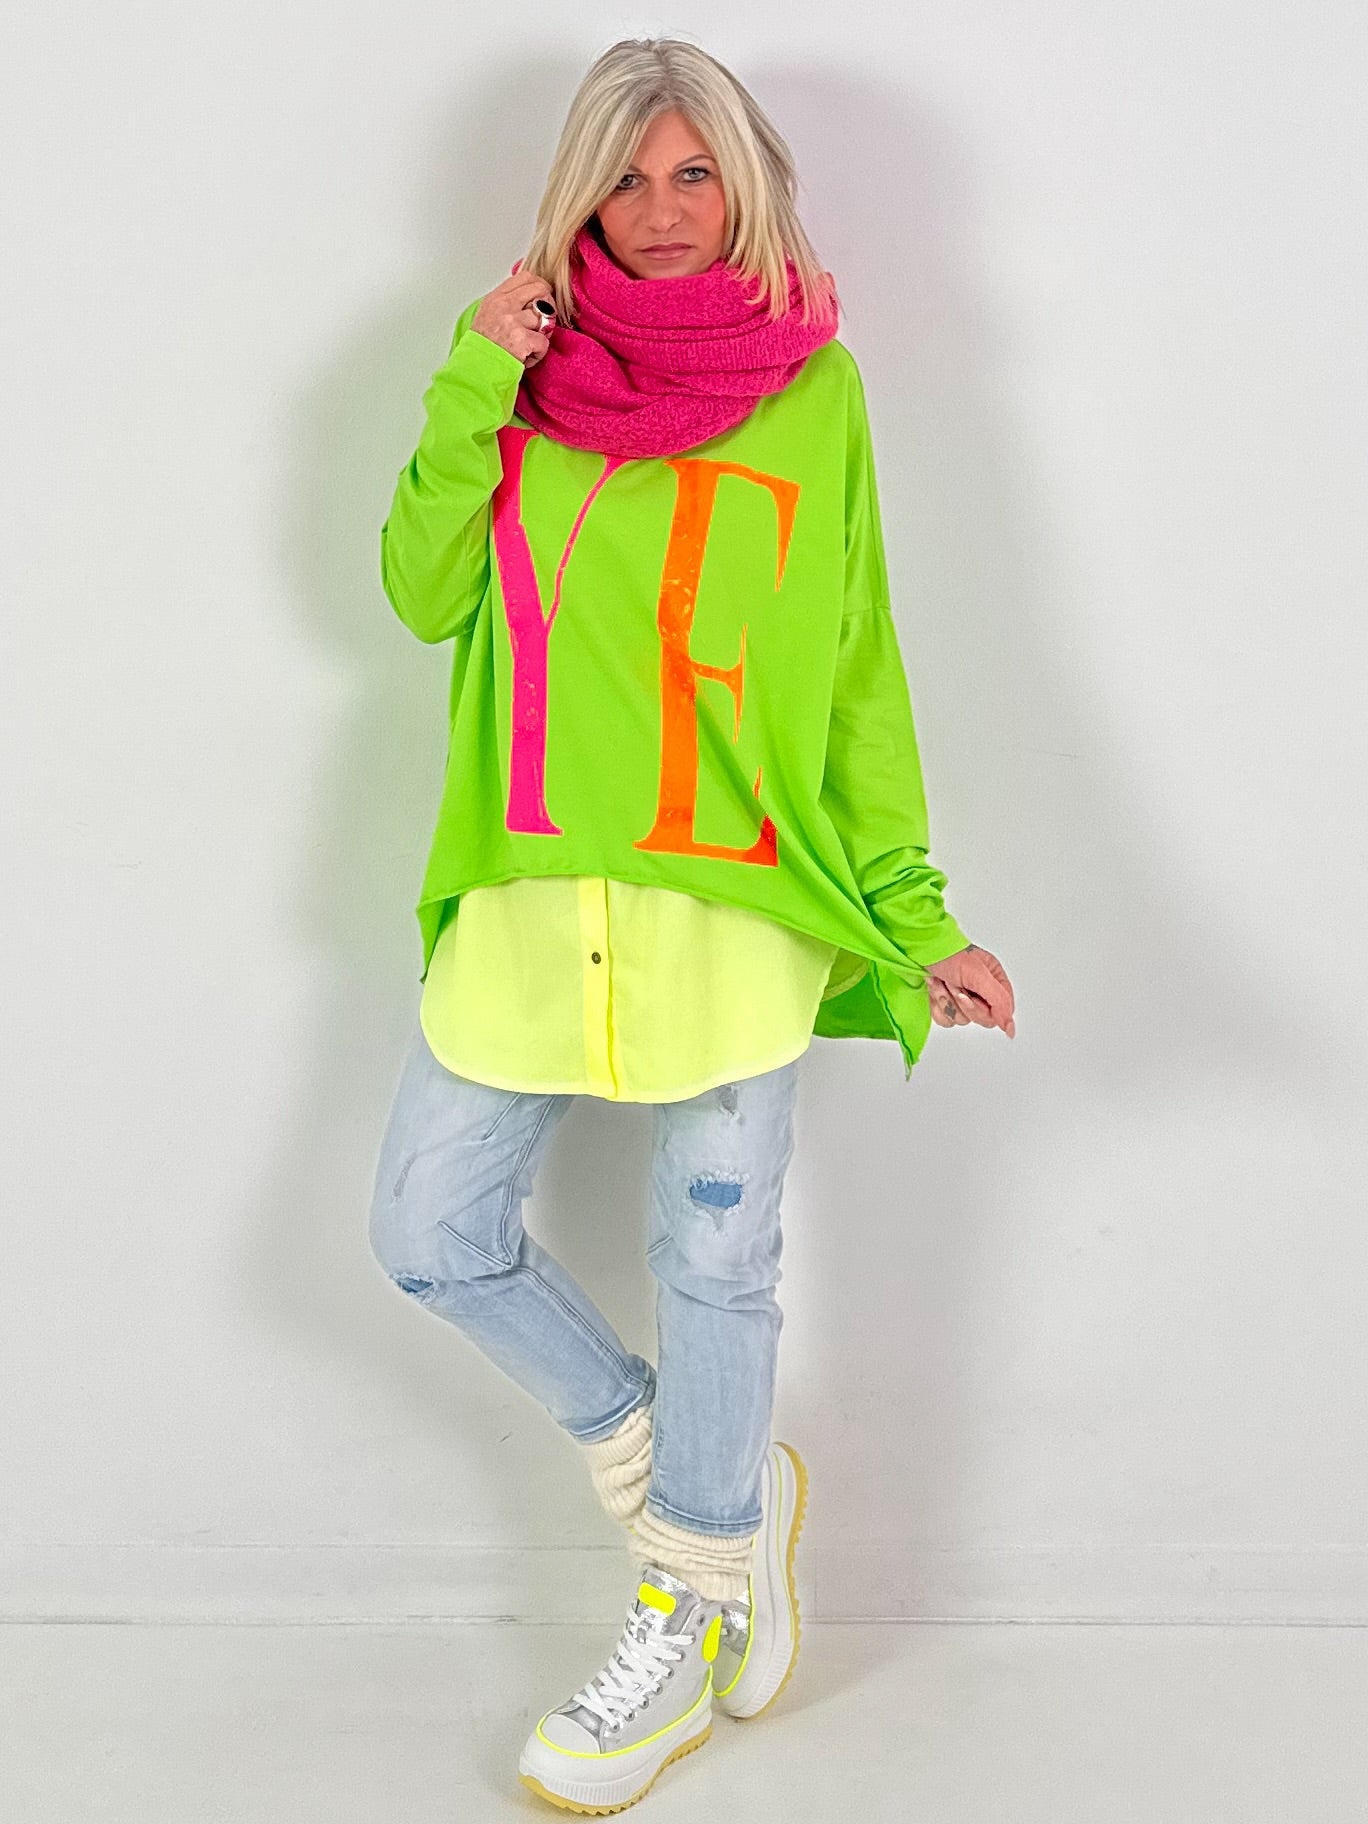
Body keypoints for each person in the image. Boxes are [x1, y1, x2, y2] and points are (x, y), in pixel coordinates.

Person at [368, 34, 1016, 1813]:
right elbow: (422, 590)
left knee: (717, 1261)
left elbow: (856, 667)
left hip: (737, 901)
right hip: (529, 889)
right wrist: (472, 379)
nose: (661, 211)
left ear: (745, 186)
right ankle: (696, 1488)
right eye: (629, 177)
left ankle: (686, 1601)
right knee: (428, 1230)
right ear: (579, 195)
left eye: (695, 174)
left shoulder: (816, 391)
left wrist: (913, 912)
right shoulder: (521, 374)